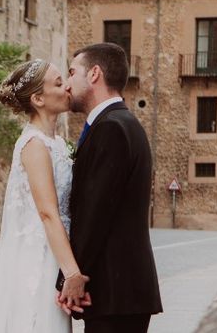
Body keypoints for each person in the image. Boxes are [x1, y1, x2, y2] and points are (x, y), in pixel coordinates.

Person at [0, 59, 89, 333]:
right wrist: (72, 273)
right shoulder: (34, 145)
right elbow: (48, 213)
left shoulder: (57, 143)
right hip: (38, 260)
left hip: (55, 253)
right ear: (38, 98)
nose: (67, 87)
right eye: (58, 83)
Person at [58, 43, 163, 333]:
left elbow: (94, 214)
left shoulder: (111, 128)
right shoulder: (122, 123)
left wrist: (70, 278)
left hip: (117, 291)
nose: (67, 84)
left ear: (94, 74)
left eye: (71, 72)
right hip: (123, 291)